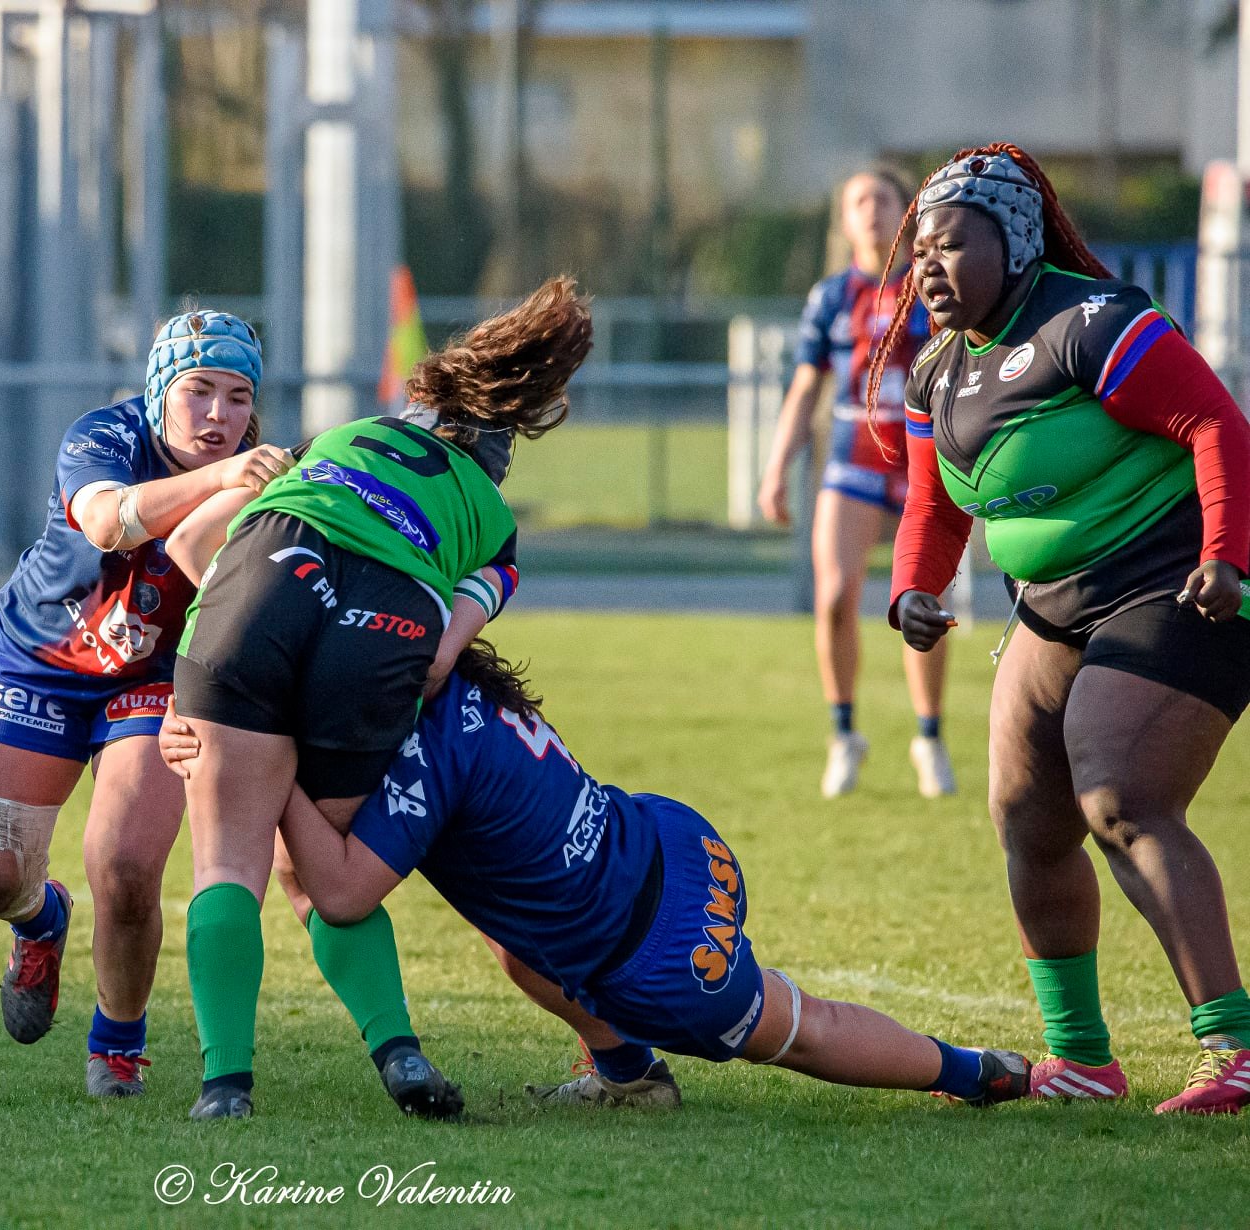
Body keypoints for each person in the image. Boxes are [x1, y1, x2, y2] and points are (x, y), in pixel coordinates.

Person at [160, 642, 1033, 1109]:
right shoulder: (457, 687)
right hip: (668, 839)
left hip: (664, 951)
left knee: (799, 1026)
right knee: (518, 948)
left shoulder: (428, 751)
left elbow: (341, 891)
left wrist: (260, 781)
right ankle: (629, 1077)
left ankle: (968, 1072)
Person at [882, 143, 1250, 1114]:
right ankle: (1081, 1058)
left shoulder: (1091, 325)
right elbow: (934, 507)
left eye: (951, 245)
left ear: (1015, 240)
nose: (928, 268)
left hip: (1177, 578)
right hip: (1052, 605)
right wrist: (913, 588)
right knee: (1028, 816)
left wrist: (1230, 555)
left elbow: (1218, 425)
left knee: (1121, 794)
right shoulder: (935, 373)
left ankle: (1236, 1045)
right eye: (919, 251)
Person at [170, 277, 591, 1120]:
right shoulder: (493, 526)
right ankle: (398, 1054)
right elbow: (437, 663)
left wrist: (225, 699)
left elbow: (188, 541)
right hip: (389, 616)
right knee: (316, 863)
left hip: (263, 573)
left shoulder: (342, 437)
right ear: (495, 455)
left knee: (227, 859)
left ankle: (225, 1089)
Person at [0, 310, 295, 1098]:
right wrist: (219, 478)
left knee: (129, 865)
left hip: (154, 678)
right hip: (42, 662)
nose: (219, 416)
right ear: (159, 389)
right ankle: (41, 920)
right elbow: (108, 522)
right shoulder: (103, 436)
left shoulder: (262, 485)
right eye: (199, 390)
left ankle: (118, 1045)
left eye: (239, 398)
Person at [758, 168, 955, 799]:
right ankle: (844, 735)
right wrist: (777, 468)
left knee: (921, 597)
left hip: (923, 455)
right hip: (853, 457)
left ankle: (929, 737)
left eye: (884, 200)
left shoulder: (931, 288)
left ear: (906, 213)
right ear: (844, 221)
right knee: (836, 594)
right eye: (859, 202)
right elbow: (803, 389)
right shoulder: (830, 298)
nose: (872, 212)